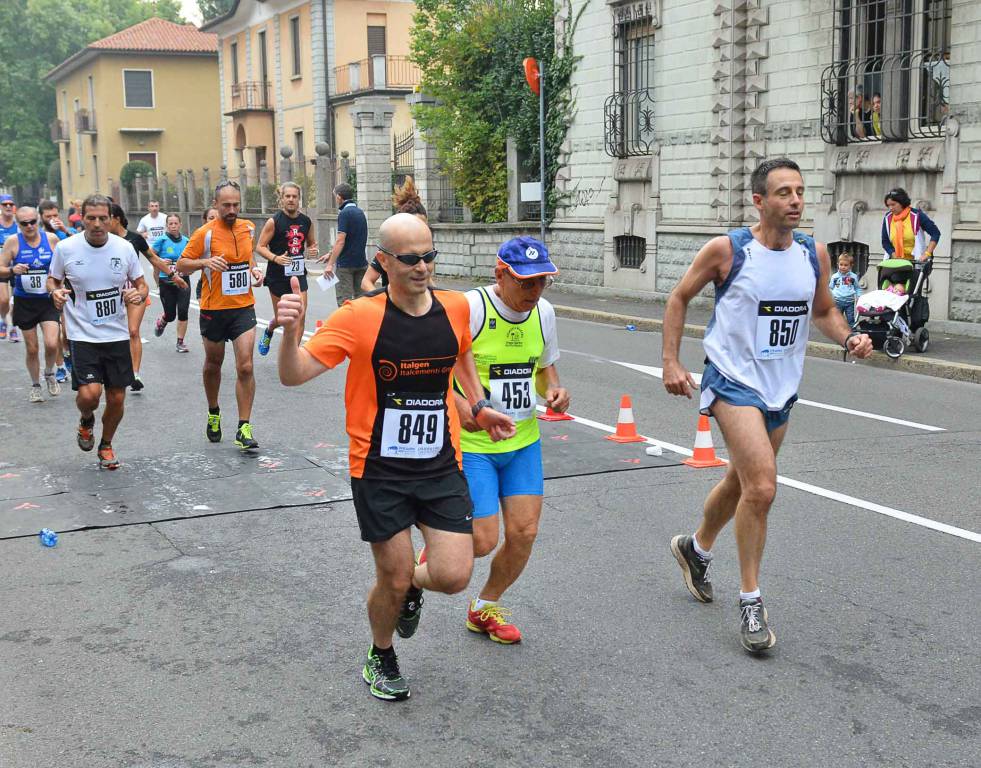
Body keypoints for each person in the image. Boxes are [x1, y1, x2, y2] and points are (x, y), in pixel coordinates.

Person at [276, 212, 515, 702]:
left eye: (429, 256)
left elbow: (462, 355)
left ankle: (411, 590)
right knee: (394, 571)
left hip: (440, 465)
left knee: (453, 574)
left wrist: (480, 404)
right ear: (383, 262)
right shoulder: (358, 318)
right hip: (379, 470)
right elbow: (294, 374)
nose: (423, 267)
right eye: (410, 259)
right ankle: (381, 653)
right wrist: (289, 333)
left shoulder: (454, 309)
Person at [662, 158, 873, 653]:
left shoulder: (811, 253)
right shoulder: (728, 251)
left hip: (782, 386)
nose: (796, 200)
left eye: (800, 191)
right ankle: (751, 601)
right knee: (762, 485)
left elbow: (823, 311)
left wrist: (849, 338)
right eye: (784, 192)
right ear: (760, 201)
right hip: (733, 381)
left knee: (741, 483)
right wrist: (671, 361)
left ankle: (695, 549)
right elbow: (678, 298)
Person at [451, 236, 569, 644]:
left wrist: (555, 390)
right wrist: (465, 406)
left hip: (522, 442)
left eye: (542, 283)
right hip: (475, 444)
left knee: (524, 534)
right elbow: (440, 370)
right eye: (525, 283)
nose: (534, 292)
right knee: (482, 541)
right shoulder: (472, 308)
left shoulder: (544, 313)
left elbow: (545, 370)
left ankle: (484, 607)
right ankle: (428, 563)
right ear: (500, 274)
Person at [48, 195, 149, 470]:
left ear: (112, 219)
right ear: (82, 218)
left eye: (103, 218)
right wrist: (55, 292)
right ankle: (86, 419)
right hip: (83, 336)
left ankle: (106, 444)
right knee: (90, 396)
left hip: (116, 336)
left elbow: (142, 285)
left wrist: (137, 295)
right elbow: (53, 279)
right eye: (91, 218)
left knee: (116, 398)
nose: (97, 224)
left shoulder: (124, 248)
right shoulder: (66, 248)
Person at [176, 181, 263, 450]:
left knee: (245, 366)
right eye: (226, 205)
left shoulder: (248, 228)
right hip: (214, 310)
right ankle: (214, 411)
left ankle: (244, 426)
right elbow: (181, 264)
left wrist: (255, 270)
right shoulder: (206, 234)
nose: (232, 209)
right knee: (214, 364)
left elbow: (247, 259)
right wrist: (205, 262)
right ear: (216, 205)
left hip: (243, 308)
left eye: (236, 204)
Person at [108, 204, 175, 391]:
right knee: (115, 334)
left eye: (107, 218)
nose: (102, 222)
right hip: (110, 292)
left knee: (133, 331)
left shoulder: (134, 239)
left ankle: (135, 374)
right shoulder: (102, 241)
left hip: (135, 289)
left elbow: (153, 258)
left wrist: (172, 275)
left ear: (117, 218)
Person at [0, 207, 62, 402]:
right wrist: (12, 269)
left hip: (47, 300)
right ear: (19, 225)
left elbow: (64, 263)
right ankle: (35, 385)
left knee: (52, 343)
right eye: (24, 223)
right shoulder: (13, 242)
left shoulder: (51, 239)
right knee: (32, 348)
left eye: (32, 222)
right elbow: (0, 269)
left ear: (38, 220)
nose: (29, 226)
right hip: (24, 302)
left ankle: (50, 372)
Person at [255, 182, 318, 356]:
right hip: (277, 275)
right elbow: (260, 247)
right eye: (287, 196)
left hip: (298, 273)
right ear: (282, 199)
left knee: (300, 314)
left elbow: (312, 244)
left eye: (294, 196)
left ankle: (293, 357)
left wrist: (313, 250)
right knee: (284, 318)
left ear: (299, 199)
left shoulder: (306, 221)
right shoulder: (273, 221)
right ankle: (269, 329)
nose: (291, 199)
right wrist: (276, 258)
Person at [361, 177, 427, 293]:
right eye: (414, 226)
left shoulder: (427, 250)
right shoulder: (390, 250)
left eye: (423, 226)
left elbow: (429, 282)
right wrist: (384, 304)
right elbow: (366, 282)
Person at [151, 213, 192, 352]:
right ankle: (162, 321)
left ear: (180, 224)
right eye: (170, 224)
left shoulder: (186, 241)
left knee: (183, 311)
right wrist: (161, 262)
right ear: (167, 225)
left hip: (183, 281)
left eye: (176, 223)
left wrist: (189, 270)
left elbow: (191, 261)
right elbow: (150, 256)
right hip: (166, 281)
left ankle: (180, 342)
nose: (173, 226)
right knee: (170, 315)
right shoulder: (161, 241)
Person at [320, 183, 367, 303]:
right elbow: (352, 239)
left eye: (335, 196)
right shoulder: (360, 212)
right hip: (361, 263)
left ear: (340, 197)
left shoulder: (344, 214)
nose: (336, 199)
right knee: (361, 301)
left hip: (346, 266)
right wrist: (331, 253)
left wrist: (330, 264)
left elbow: (341, 240)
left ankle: (349, 322)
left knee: (345, 303)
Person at [880, 188, 940, 264]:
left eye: (893, 204)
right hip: (895, 261)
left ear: (902, 203)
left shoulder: (917, 216)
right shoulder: (888, 218)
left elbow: (935, 233)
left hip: (916, 261)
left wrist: (927, 254)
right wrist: (894, 255)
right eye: (888, 205)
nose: (890, 208)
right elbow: (885, 242)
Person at [0, 193, 19, 342]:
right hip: (1, 267)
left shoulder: (19, 225)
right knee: (4, 300)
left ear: (14, 207)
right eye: (4, 204)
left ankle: (14, 327)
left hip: (17, 267)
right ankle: (3, 321)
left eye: (10, 204)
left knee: (17, 300)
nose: (8, 206)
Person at [829, 252, 862, 326]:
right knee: (837, 320)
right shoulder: (835, 277)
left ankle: (852, 333)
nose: (843, 267)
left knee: (850, 319)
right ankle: (837, 333)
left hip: (849, 302)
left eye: (846, 265)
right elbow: (830, 288)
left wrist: (858, 297)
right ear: (838, 264)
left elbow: (857, 288)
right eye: (841, 264)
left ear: (851, 266)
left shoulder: (853, 277)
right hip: (837, 301)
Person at [196, 206, 220, 300]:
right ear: (205, 220)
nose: (215, 221)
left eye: (218, 218)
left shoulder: (232, 235)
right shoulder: (200, 236)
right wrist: (205, 262)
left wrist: (254, 268)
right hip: (206, 286)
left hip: (227, 290)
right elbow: (183, 265)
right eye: (211, 218)